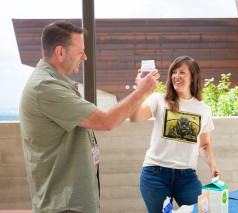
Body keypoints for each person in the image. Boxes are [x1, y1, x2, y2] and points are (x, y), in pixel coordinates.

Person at [19, 21, 159, 213]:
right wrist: (142, 92)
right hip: (64, 206)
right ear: (60, 53)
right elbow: (106, 121)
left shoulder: (55, 83)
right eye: (80, 52)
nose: (84, 57)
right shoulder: (45, 87)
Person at [130, 55, 221, 212]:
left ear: (193, 77)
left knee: (202, 210)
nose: (176, 76)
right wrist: (140, 91)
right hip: (155, 174)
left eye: (182, 72)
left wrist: (213, 164)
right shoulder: (159, 100)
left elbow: (204, 144)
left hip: (187, 177)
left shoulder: (204, 110)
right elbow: (135, 118)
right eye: (174, 72)